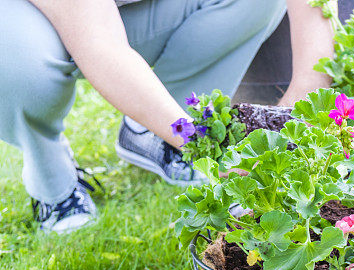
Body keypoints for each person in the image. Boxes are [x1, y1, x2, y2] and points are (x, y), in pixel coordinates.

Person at [0, 0, 333, 234]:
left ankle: (153, 132)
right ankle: (54, 186)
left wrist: (306, 95)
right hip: (29, 21)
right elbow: (100, 44)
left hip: (137, 12)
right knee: (18, 69)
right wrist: (212, 153)